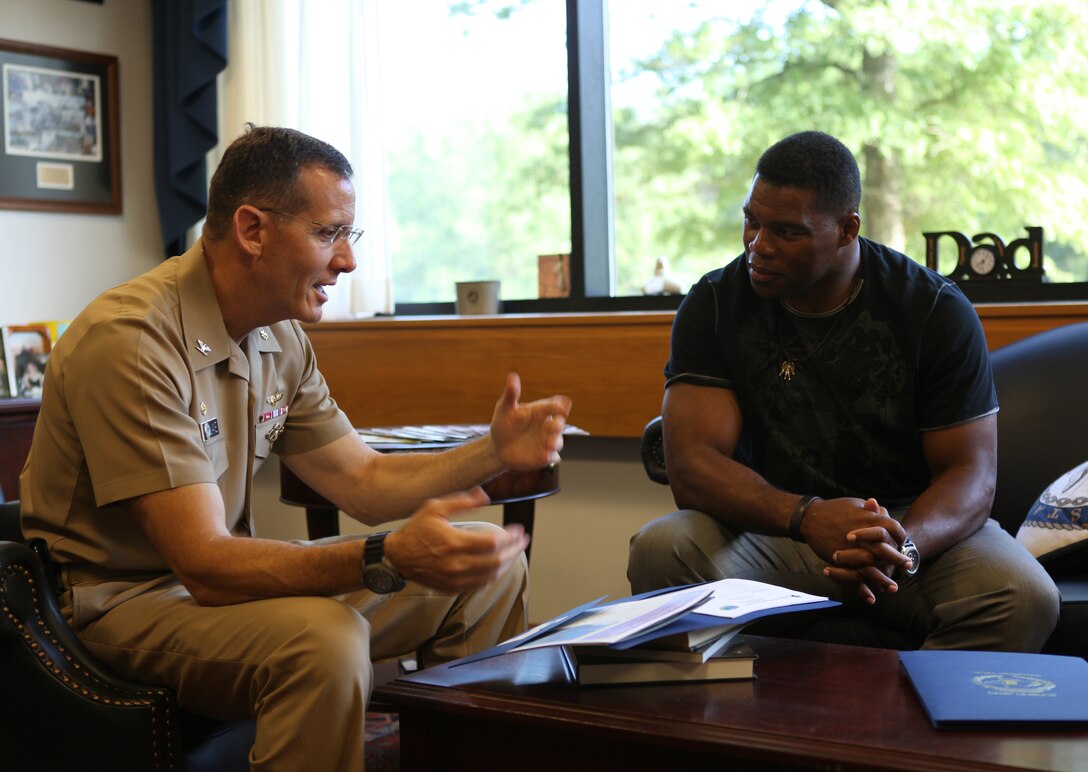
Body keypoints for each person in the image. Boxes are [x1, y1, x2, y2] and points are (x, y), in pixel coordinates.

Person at [20, 124, 573, 770]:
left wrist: (493, 451)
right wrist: (386, 554)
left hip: (212, 590)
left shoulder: (279, 338)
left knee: (492, 576)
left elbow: (363, 480)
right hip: (122, 604)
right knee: (325, 639)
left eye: (349, 235)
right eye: (328, 233)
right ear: (253, 230)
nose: (348, 261)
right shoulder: (133, 342)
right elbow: (201, 560)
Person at [627, 130, 1059, 652]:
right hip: (772, 534)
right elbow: (693, 465)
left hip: (904, 536)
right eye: (751, 221)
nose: (758, 245)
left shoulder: (933, 310)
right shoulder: (715, 303)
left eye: (787, 232)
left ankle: (908, 731)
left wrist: (899, 545)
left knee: (1023, 595)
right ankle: (728, 727)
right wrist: (807, 516)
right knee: (661, 548)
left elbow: (970, 474)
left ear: (847, 228)